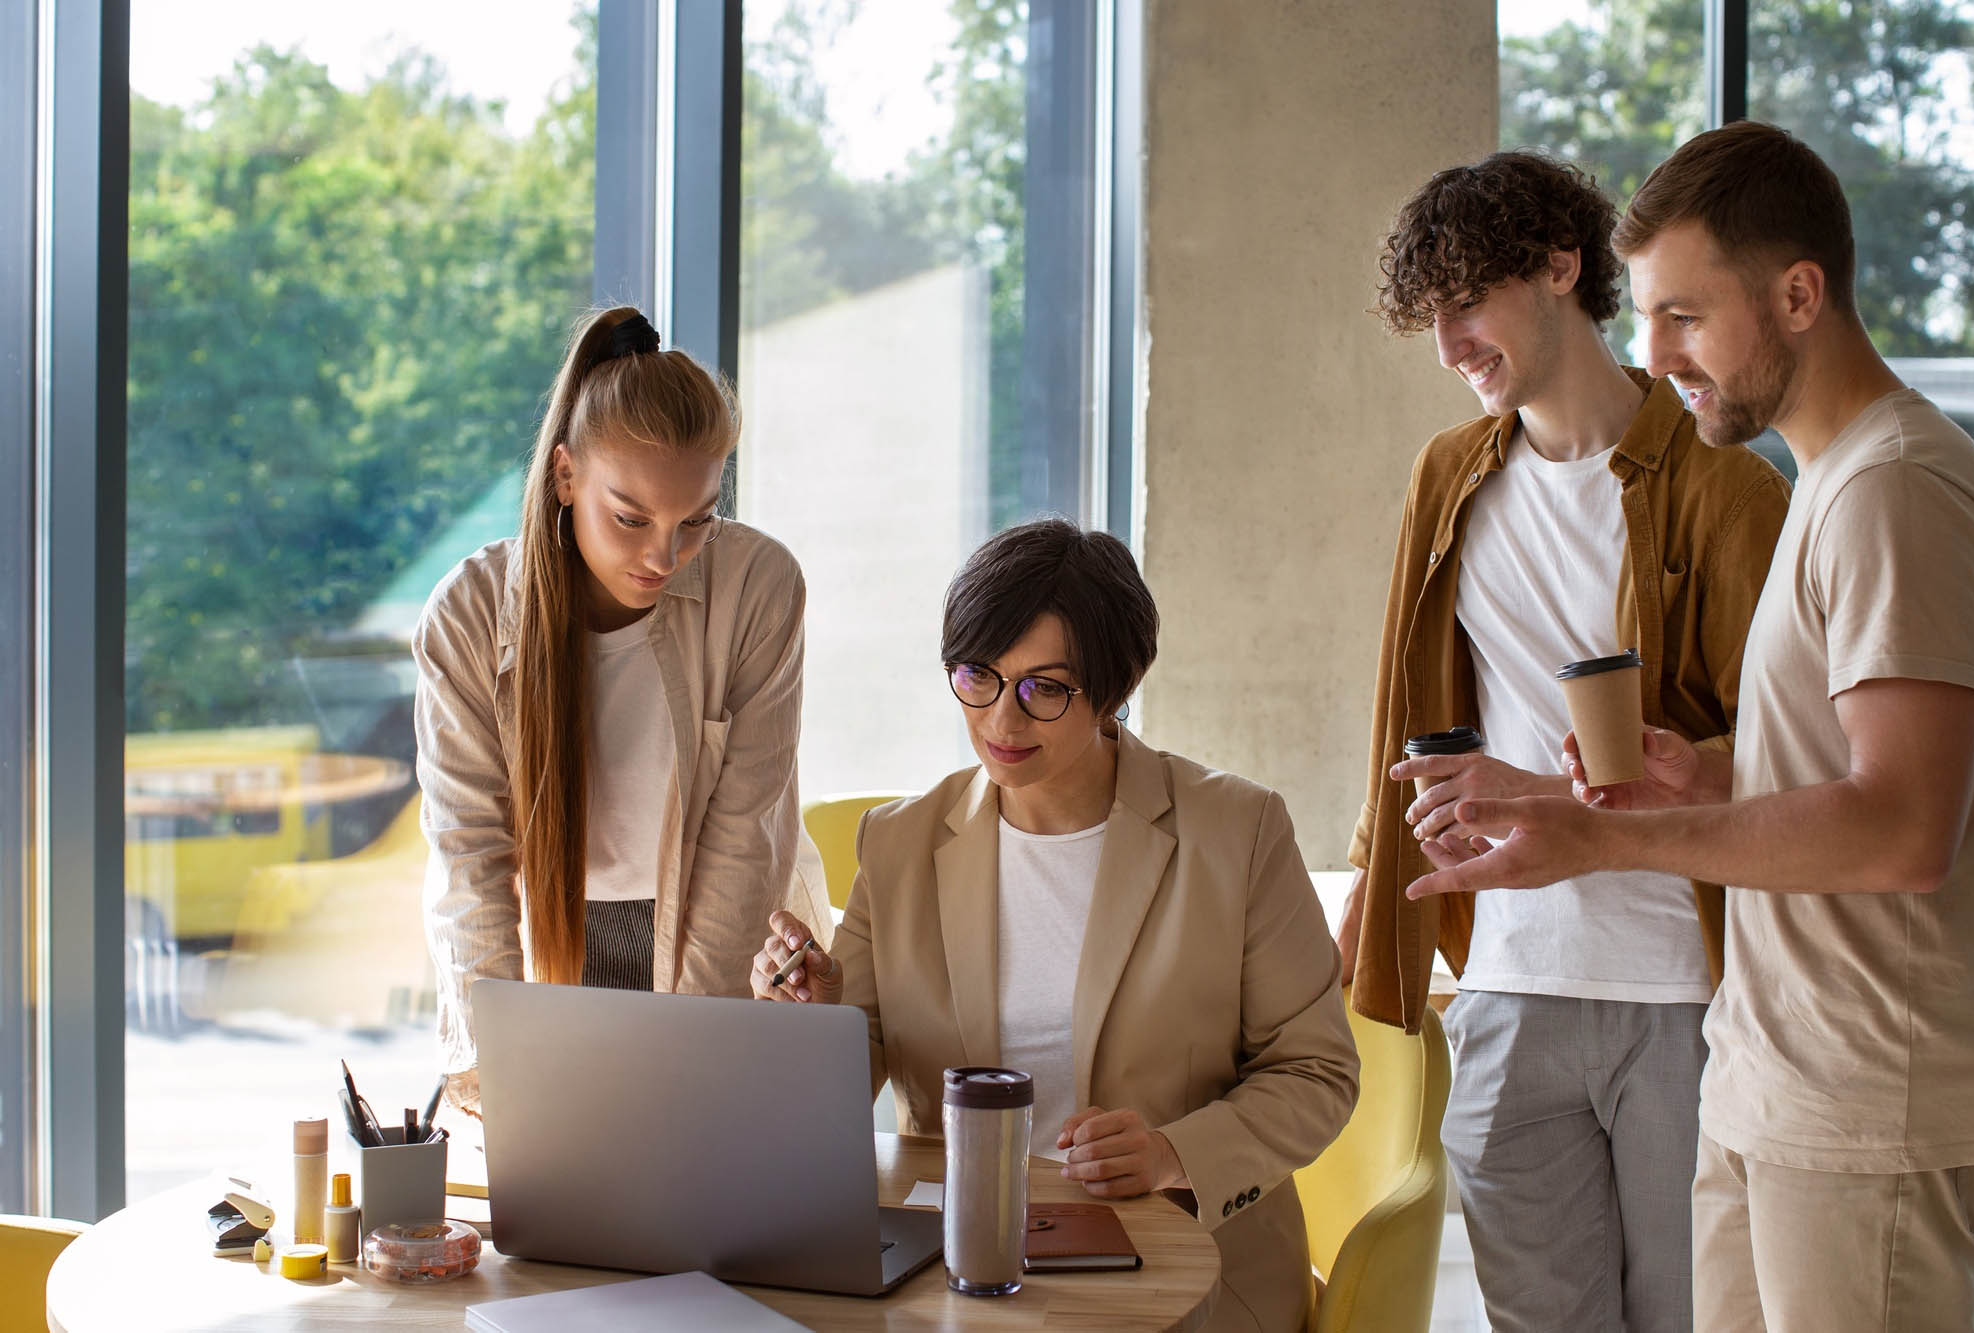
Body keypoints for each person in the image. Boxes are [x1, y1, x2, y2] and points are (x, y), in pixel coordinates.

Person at [1406, 121, 1974, 1331]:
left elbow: (1900, 827)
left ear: (1796, 294)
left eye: (1683, 315)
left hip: (1861, 1102)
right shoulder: (1833, 481)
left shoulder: (1892, 490)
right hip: (1773, 1077)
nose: (1657, 348)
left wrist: (1601, 841)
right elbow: (1827, 767)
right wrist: (1700, 773)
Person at [1339, 151, 1788, 1331]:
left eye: (1463, 305)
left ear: (1557, 265)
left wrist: (1562, 788)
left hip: (1682, 990)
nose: (1447, 347)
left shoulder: (1726, 485)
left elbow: (1797, 756)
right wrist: (1364, 889)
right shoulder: (1447, 477)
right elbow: (1402, 710)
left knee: (1697, 1317)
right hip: (1502, 984)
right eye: (1425, 321)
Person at [751, 518, 1359, 1333]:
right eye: (978, 676)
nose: (1002, 720)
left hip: (1180, 1272)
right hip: (954, 1276)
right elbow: (845, 1074)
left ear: (1112, 688)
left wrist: (1174, 1153)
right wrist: (809, 1016)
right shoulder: (900, 841)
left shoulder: (1237, 831)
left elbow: (1315, 1072)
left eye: (1044, 687)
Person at [415, 305, 831, 1116]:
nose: (662, 557)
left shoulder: (759, 586)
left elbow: (746, 837)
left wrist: (689, 1055)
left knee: (716, 1181)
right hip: (555, 941)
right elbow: (469, 856)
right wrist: (503, 1053)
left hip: (734, 940)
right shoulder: (467, 614)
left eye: (697, 521)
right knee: (557, 1196)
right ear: (566, 476)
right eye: (631, 518)